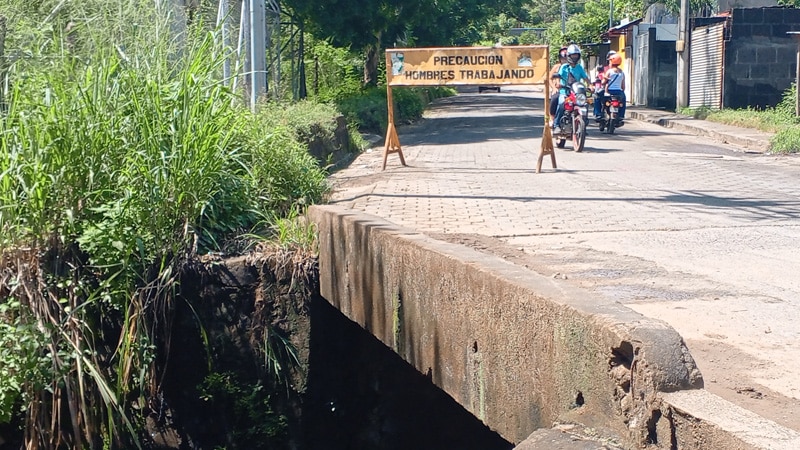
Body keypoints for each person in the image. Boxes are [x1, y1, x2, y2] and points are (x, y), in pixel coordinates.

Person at [552, 44, 592, 134]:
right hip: (565, 91)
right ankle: (556, 125)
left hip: (576, 92)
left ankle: (583, 125)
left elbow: (586, 78)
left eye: (576, 55)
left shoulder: (579, 68)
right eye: (573, 55)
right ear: (568, 56)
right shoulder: (564, 67)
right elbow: (558, 76)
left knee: (584, 104)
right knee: (562, 104)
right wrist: (558, 83)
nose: (575, 57)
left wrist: (591, 85)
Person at [603, 53, 626, 125]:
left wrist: (605, 79)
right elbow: (623, 87)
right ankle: (621, 116)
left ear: (612, 62)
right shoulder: (622, 72)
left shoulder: (609, 71)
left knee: (603, 101)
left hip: (609, 91)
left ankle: (600, 114)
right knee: (623, 102)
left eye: (610, 61)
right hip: (619, 92)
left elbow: (603, 82)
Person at [548, 47, 569, 126]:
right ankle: (553, 118)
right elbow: (549, 78)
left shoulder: (573, 67)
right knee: (554, 98)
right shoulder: (556, 67)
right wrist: (554, 88)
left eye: (566, 58)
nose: (565, 60)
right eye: (563, 58)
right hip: (558, 89)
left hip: (570, 89)